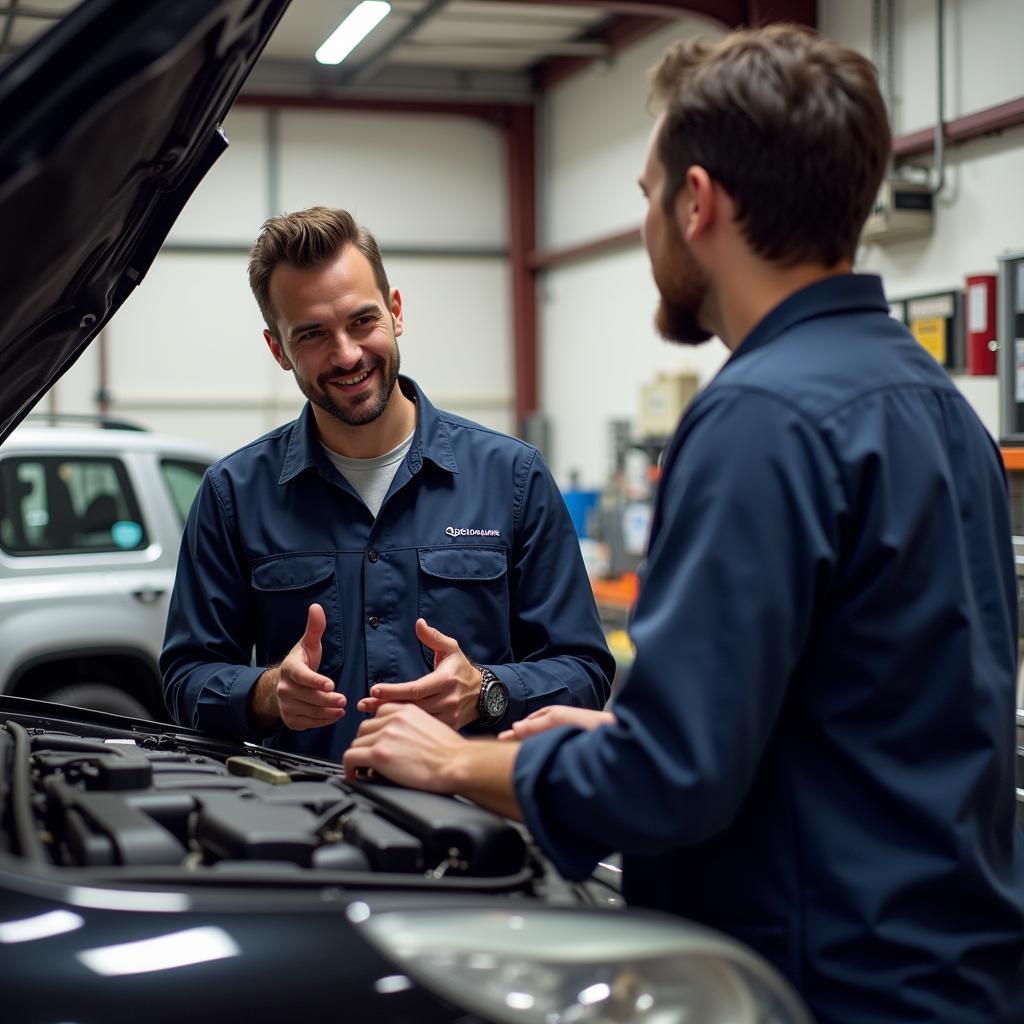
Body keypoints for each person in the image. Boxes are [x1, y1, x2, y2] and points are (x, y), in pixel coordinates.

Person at [343, 25, 1024, 1024]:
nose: (649, 225)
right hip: (949, 971)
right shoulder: (934, 403)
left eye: (646, 195)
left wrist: (454, 759)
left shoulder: (760, 417)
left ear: (696, 202)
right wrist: (628, 730)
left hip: (821, 982)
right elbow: (867, 712)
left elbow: (669, 784)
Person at [160, 207, 614, 762]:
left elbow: (585, 672)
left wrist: (486, 692)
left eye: (361, 321)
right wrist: (266, 694)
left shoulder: (512, 478)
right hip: (304, 826)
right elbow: (186, 679)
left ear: (396, 311)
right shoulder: (233, 494)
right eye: (312, 335)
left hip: (473, 827)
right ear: (278, 349)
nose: (347, 354)